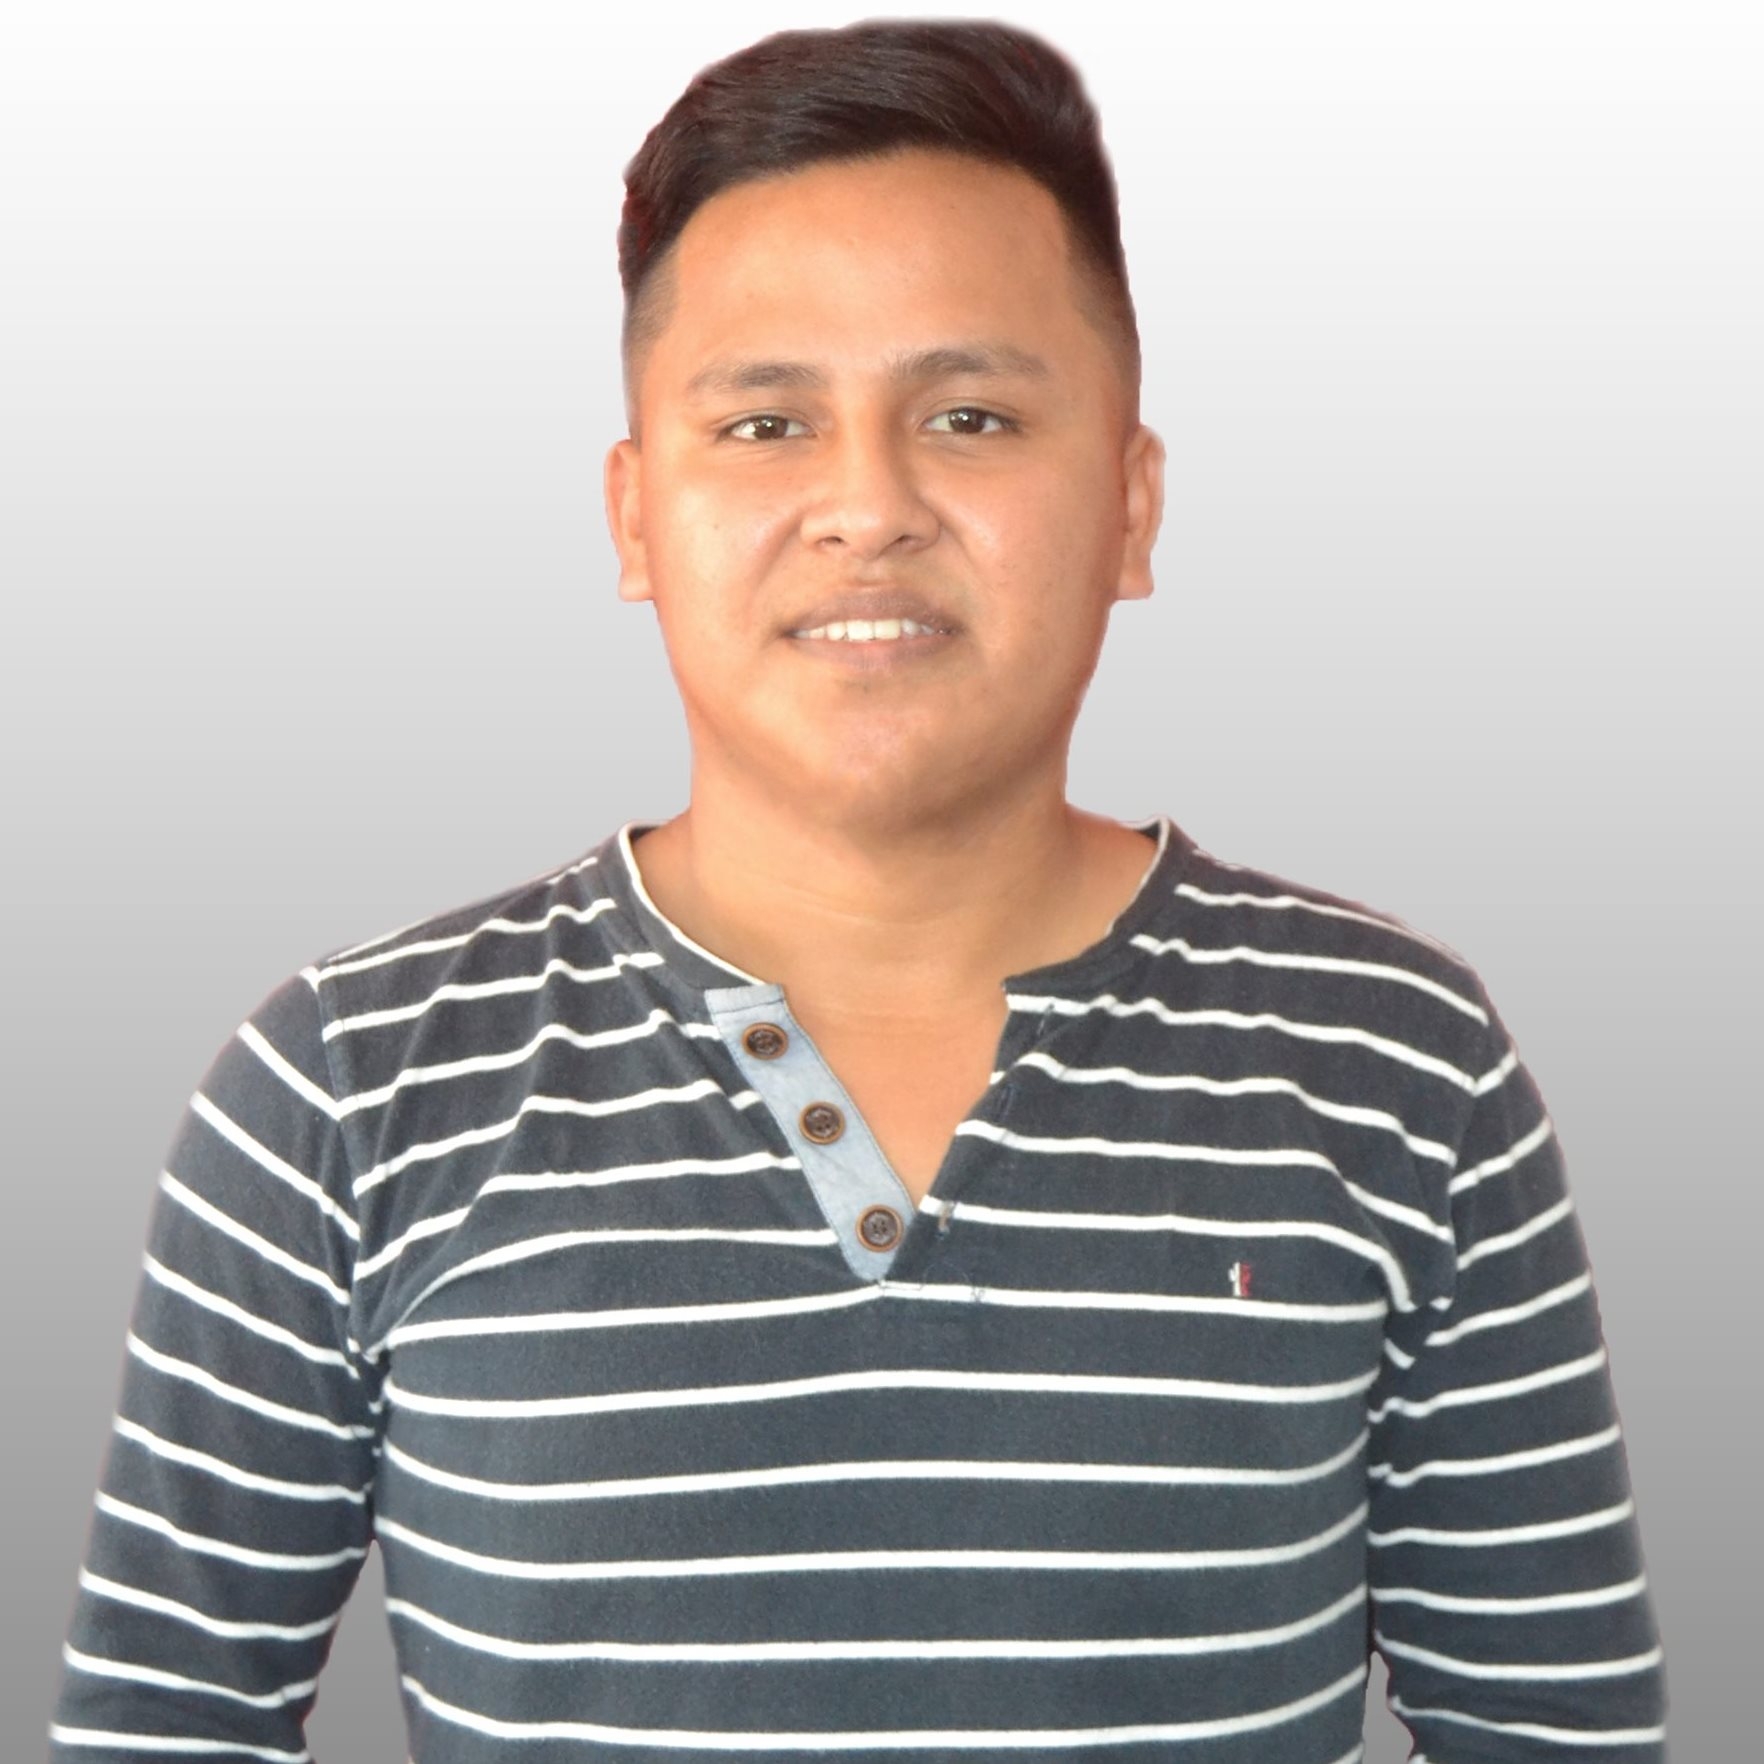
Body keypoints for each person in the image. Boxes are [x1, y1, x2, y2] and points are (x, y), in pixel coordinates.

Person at [50, 18, 1667, 1761]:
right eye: (766, 422)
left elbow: (1557, 1730)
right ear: (634, 519)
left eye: (971, 416)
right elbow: (164, 1730)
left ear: (1131, 506)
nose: (867, 506)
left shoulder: (1398, 1058)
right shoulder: (349, 1086)